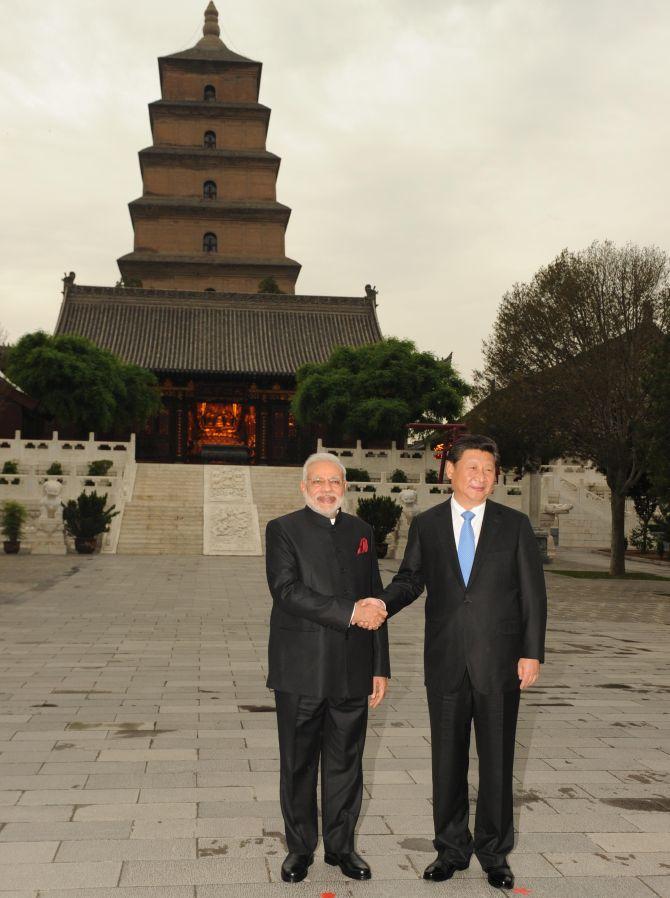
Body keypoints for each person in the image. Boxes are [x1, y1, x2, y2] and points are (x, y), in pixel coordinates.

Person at [381, 434, 547, 890]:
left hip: (501, 663)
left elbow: (533, 593)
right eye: (472, 467)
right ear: (449, 471)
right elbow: (410, 579)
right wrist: (380, 605)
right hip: (447, 661)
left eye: (489, 469)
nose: (481, 476)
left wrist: (531, 651)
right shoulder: (428, 524)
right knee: (447, 760)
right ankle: (450, 850)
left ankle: (495, 853)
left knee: (497, 762)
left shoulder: (514, 525)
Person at [265, 452, 390, 883]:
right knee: (298, 763)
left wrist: (380, 665)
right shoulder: (283, 530)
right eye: (317, 481)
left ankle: (342, 847)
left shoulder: (362, 531)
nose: (326, 488)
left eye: (334, 481)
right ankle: (299, 849)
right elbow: (287, 591)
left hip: (353, 669)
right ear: (304, 487)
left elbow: (375, 598)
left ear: (344, 487)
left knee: (346, 762)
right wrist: (350, 612)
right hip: (299, 670)